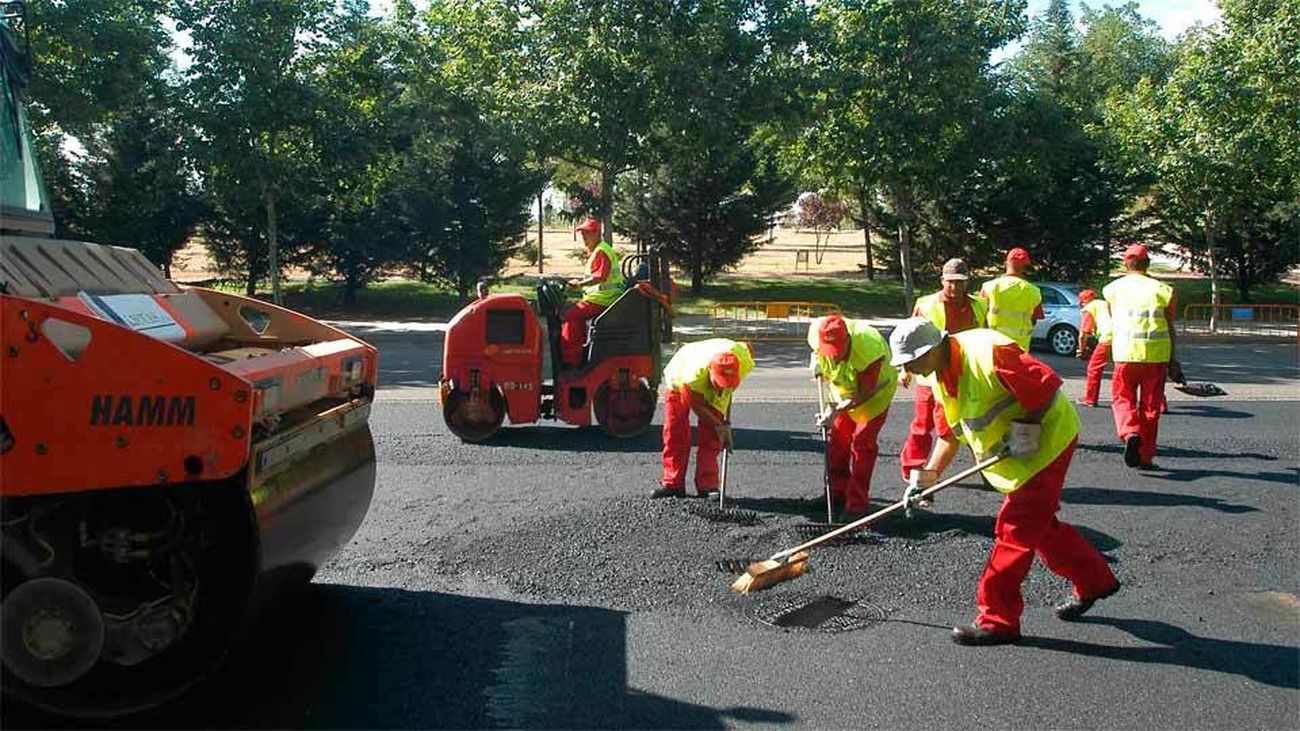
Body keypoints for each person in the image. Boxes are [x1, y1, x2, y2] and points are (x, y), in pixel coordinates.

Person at [888, 317, 1119, 646]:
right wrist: (925, 480)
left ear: (933, 349)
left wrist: (1024, 430)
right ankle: (1094, 580)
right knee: (1040, 527)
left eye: (913, 361)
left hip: (1048, 443)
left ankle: (997, 620)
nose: (910, 368)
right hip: (1016, 457)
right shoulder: (938, 376)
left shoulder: (989, 353)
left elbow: (1046, 385)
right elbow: (948, 436)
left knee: (1014, 530)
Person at [900, 258, 988, 481]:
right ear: (942, 281)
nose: (955, 287)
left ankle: (987, 469)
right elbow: (909, 339)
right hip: (928, 378)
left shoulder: (979, 305)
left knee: (970, 424)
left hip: (962, 377)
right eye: (950, 282)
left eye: (960, 282)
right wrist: (905, 369)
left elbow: (983, 336)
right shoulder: (927, 305)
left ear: (967, 282)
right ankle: (913, 470)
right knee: (922, 426)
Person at [808, 314, 897, 521]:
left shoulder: (869, 348)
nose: (835, 357)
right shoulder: (816, 332)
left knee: (862, 444)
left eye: (838, 351)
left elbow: (866, 392)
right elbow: (817, 354)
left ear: (848, 339)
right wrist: (817, 363)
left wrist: (835, 411)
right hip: (842, 391)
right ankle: (836, 493)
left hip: (874, 397)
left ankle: (856, 505)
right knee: (838, 441)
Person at [1103, 244, 1181, 469]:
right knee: (1150, 407)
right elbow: (1169, 325)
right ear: (1148, 264)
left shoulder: (1112, 289)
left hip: (1125, 355)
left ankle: (1129, 433)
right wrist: (1173, 360)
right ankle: (1145, 456)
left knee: (1122, 398)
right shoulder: (1164, 290)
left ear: (1126, 263)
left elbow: (1113, 320)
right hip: (1156, 356)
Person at [656, 339, 754, 499]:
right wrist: (721, 426)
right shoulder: (691, 377)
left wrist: (720, 428)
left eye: (728, 385)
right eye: (719, 384)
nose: (723, 390)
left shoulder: (743, 360)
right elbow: (698, 407)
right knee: (675, 432)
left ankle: (707, 486)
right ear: (710, 372)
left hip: (706, 371)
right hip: (679, 382)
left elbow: (747, 346)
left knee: (712, 437)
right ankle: (673, 484)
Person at [560, 217, 624, 369]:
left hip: (604, 300)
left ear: (596, 234)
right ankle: (580, 352)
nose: (583, 237)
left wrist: (579, 284)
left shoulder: (601, 251)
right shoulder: (599, 250)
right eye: (582, 234)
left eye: (586, 234)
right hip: (600, 298)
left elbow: (600, 277)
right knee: (574, 314)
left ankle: (572, 361)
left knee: (571, 316)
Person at [979, 248, 1043, 350]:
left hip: (994, 346)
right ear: (1025, 266)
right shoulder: (1033, 291)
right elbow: (1034, 320)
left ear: (1006, 263)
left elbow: (979, 317)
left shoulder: (989, 287)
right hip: (1021, 349)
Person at [1077, 288, 1112, 407]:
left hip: (1107, 338)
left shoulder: (1089, 308)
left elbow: (1083, 334)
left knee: (1093, 369)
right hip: (1122, 338)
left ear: (1082, 302)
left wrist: (1081, 350)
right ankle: (1159, 403)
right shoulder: (1103, 303)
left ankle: (1090, 399)